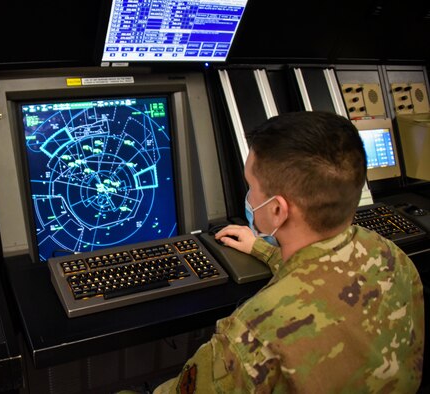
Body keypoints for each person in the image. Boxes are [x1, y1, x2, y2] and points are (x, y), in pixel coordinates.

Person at [154, 111, 424, 393]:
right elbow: (322, 275)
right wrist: (261, 248)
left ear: (277, 210)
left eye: (252, 186)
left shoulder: (252, 336)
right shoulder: (394, 259)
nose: (249, 196)